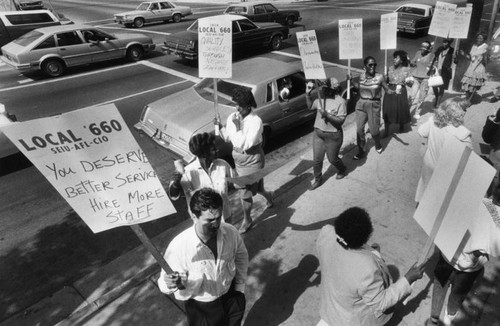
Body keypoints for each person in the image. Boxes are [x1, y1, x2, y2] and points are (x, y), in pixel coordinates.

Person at [316, 207, 425, 326]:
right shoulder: (367, 269)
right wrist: (408, 279)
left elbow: (344, 253)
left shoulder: (325, 233)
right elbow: (381, 302)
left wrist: (369, 251)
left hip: (330, 309)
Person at [158, 188, 249, 326]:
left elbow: (241, 256)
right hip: (202, 308)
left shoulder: (230, 232)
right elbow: (164, 286)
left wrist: (239, 287)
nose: (216, 224)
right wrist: (170, 283)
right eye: (210, 220)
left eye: (218, 217)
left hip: (231, 296)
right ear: (194, 217)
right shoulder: (178, 247)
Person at [217, 87, 274, 233]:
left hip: (252, 160)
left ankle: (247, 220)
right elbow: (227, 138)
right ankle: (269, 196)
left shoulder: (256, 121)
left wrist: (238, 128)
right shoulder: (233, 117)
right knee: (258, 188)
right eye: (235, 104)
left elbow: (244, 144)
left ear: (248, 105)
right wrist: (218, 127)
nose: (236, 108)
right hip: (238, 160)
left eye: (239, 105)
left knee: (245, 192)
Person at [415, 97, 472, 203]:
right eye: (464, 109)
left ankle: (422, 204)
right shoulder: (463, 133)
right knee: (441, 196)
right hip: (446, 170)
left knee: (426, 185)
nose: (465, 112)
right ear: (458, 112)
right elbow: (469, 158)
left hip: (429, 162)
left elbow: (421, 132)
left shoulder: (433, 121)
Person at [168, 132, 236, 222]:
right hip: (204, 224)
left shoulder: (222, 164)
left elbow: (235, 182)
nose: (217, 150)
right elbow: (174, 195)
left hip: (225, 216)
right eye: (213, 149)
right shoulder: (188, 172)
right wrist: (177, 178)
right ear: (204, 154)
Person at [305, 77, 347, 190]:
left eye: (326, 88)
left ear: (334, 89)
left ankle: (342, 169)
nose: (323, 90)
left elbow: (341, 121)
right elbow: (309, 107)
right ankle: (318, 180)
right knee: (317, 160)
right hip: (318, 134)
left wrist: (327, 115)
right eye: (323, 88)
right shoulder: (320, 100)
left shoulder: (341, 102)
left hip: (333, 136)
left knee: (332, 159)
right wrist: (307, 94)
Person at [349, 56, 394, 159]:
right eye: (370, 65)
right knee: (359, 130)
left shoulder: (380, 77)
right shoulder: (361, 76)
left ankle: (377, 144)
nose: (373, 66)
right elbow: (360, 88)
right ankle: (361, 150)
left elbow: (387, 89)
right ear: (365, 66)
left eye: (374, 64)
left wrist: (393, 92)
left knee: (374, 131)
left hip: (374, 105)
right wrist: (351, 81)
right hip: (361, 104)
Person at [382, 50, 412, 137]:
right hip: (390, 90)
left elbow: (410, 84)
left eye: (396, 58)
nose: (394, 59)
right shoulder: (390, 68)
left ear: (402, 60)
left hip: (401, 91)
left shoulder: (407, 70)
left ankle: (401, 126)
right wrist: (384, 77)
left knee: (400, 109)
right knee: (387, 110)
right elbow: (386, 81)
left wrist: (408, 81)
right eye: (394, 57)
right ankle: (386, 130)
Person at [410, 41, 435, 120]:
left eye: (425, 49)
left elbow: (432, 67)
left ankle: (417, 112)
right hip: (416, 77)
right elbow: (413, 63)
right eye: (422, 48)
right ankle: (406, 111)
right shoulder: (418, 53)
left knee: (422, 97)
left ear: (428, 49)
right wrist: (409, 62)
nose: (422, 50)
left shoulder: (432, 55)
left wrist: (432, 67)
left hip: (425, 78)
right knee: (412, 96)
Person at [460, 32, 488, 100]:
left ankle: (469, 99)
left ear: (484, 39)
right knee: (466, 83)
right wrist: (463, 54)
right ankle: (468, 98)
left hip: (478, 68)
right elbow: (470, 58)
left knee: (473, 85)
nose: (479, 39)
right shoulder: (474, 46)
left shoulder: (485, 46)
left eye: (481, 38)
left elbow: (485, 59)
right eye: (478, 38)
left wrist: (483, 70)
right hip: (471, 67)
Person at [430, 38, 455, 108]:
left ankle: (437, 102)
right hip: (437, 70)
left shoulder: (452, 50)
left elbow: (456, 61)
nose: (444, 44)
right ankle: (437, 97)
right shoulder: (440, 48)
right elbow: (434, 57)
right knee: (434, 85)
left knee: (442, 87)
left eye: (446, 42)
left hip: (445, 71)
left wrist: (456, 56)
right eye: (443, 42)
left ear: (449, 43)